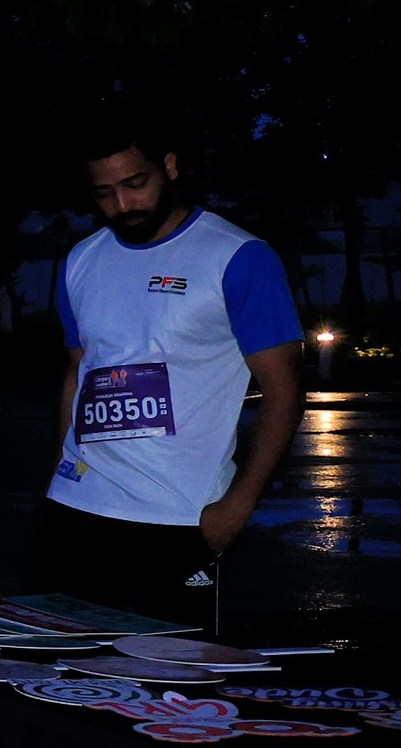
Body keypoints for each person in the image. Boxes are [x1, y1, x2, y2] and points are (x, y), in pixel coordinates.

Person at [34, 119, 303, 633]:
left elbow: (285, 390)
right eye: (104, 193)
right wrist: (57, 474)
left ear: (170, 167)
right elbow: (77, 372)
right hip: (78, 506)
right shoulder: (82, 259)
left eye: (135, 183)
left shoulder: (237, 257)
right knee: (68, 664)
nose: (122, 204)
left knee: (170, 672)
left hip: (180, 516)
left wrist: (239, 503)